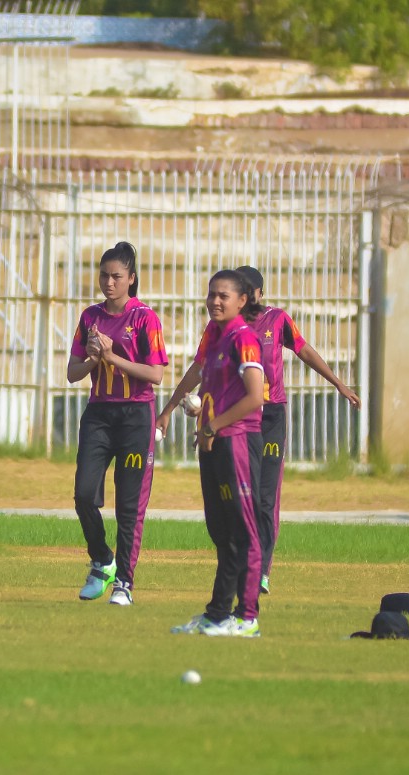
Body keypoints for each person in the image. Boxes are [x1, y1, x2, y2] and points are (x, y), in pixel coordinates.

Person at [156, 265, 360, 596]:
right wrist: (168, 409)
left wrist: (339, 383)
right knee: (235, 501)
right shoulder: (220, 329)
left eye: (249, 293)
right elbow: (198, 369)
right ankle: (236, 572)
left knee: (265, 497)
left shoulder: (277, 320)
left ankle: (261, 571)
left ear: (257, 295)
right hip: (235, 420)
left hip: (270, 417)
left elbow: (305, 350)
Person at [65, 242, 168, 605]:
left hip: (135, 417)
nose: (109, 283)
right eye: (104, 276)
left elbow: (155, 374)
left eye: (117, 276)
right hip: (99, 415)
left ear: (131, 279)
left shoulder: (145, 318)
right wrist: (94, 360)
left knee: (129, 506)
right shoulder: (90, 317)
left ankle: (124, 582)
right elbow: (72, 373)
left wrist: (112, 356)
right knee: (83, 494)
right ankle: (102, 560)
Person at [169, 270, 270, 638]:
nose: (214, 301)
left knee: (244, 531)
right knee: (222, 531)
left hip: (238, 441)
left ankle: (247, 617)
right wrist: (200, 419)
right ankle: (217, 614)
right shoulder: (215, 335)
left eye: (223, 295)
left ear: (242, 301)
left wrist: (213, 426)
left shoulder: (244, 338)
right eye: (211, 294)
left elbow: (255, 397)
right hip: (213, 442)